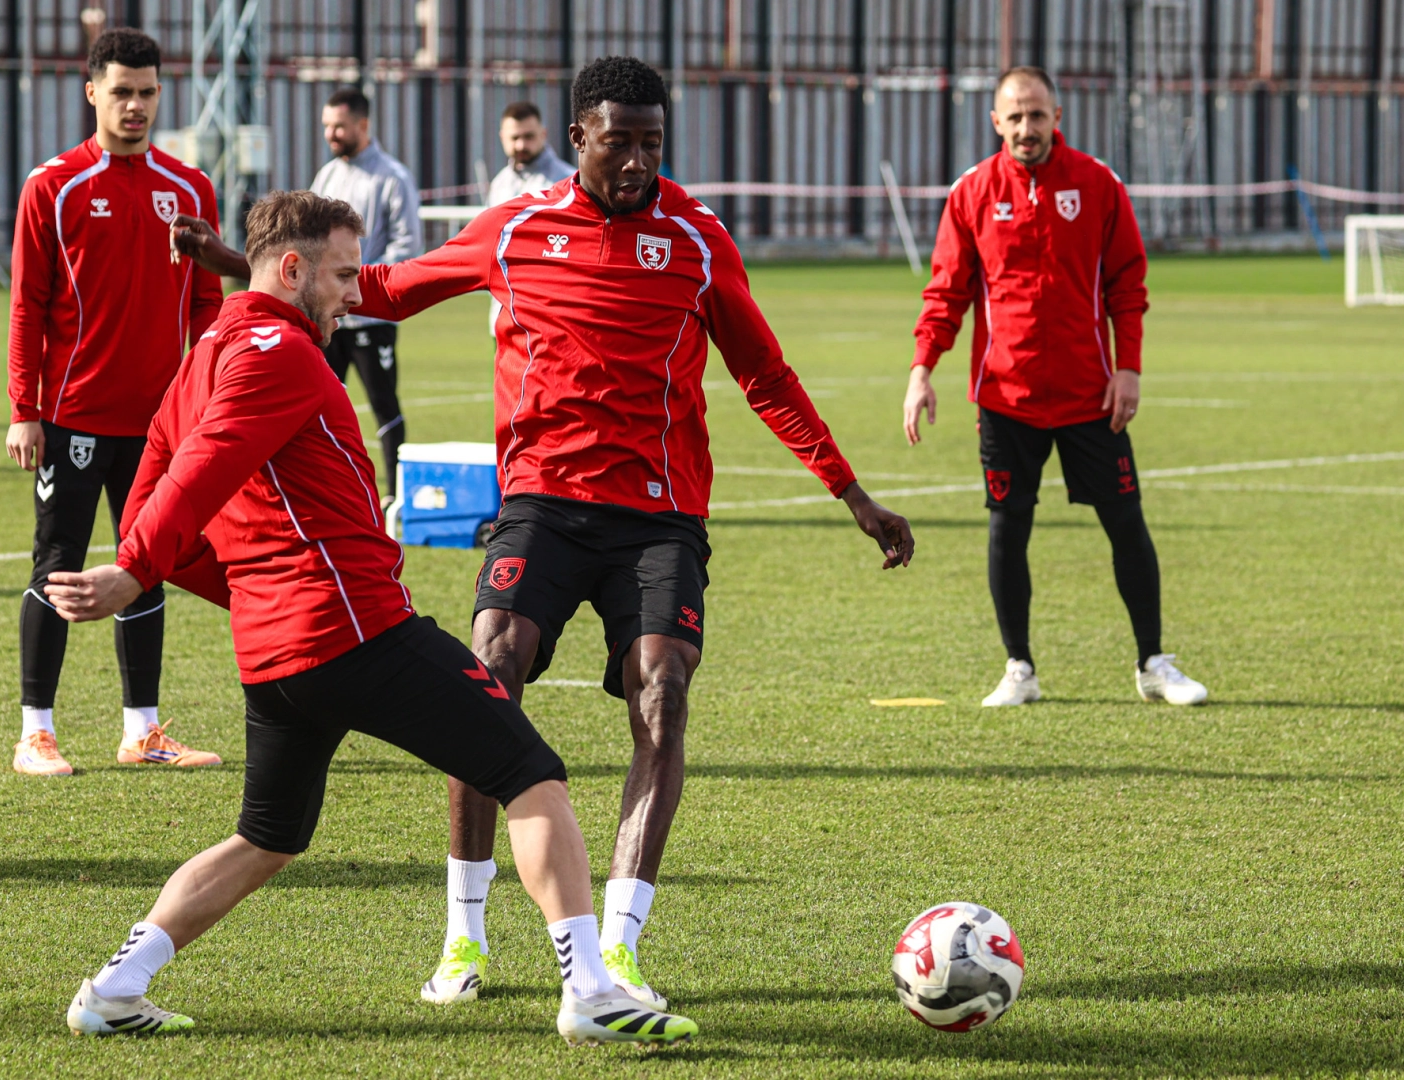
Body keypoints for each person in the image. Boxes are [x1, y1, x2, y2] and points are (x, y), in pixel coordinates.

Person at [171, 55, 916, 1010]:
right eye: (620, 142)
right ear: (577, 139)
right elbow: (382, 288)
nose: (639, 161)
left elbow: (763, 374)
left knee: (661, 691)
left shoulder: (698, 240)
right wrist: (237, 264)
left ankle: (621, 946)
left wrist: (849, 491)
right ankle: (464, 935)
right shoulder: (515, 229)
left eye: (653, 143)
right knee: (492, 662)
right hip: (542, 504)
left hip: (659, 516)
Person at [44, 190, 696, 1047]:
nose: (358, 293)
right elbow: (205, 465)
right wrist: (134, 573)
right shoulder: (279, 351)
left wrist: (238, 589)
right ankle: (589, 989)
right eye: (346, 274)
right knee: (532, 772)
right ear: (292, 269)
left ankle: (113, 988)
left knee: (266, 836)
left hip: (276, 652)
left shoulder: (204, 353)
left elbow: (153, 494)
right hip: (354, 631)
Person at [902, 65, 1208, 709]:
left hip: (1090, 395)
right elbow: (946, 292)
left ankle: (1153, 663)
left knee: (1126, 523)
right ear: (996, 121)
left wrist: (1129, 367)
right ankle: (1019, 668)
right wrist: (922, 369)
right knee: (1008, 528)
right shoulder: (972, 192)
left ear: (1057, 117)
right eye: (1014, 116)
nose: (1026, 127)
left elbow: (1127, 284)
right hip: (1005, 397)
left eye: (1037, 114)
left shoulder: (1097, 185)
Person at [5, 27, 225, 777]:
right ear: (92, 92)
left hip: (161, 427)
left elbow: (206, 304)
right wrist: (24, 407)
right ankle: (36, 733)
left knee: (146, 565)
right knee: (57, 565)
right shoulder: (53, 186)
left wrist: (202, 395)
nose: (136, 105)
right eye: (122, 92)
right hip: (72, 417)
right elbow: (28, 304)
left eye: (148, 92)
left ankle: (143, 730)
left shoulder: (191, 189)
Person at [308, 86, 422, 506]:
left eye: (339, 126)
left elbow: (408, 247)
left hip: (371, 320)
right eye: (327, 126)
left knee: (383, 405)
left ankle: (394, 498)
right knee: (317, 406)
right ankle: (322, 491)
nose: (331, 134)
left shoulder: (393, 177)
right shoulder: (326, 176)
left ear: (363, 125)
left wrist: (353, 281)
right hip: (329, 320)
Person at [485, 100, 573, 333]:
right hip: (504, 317)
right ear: (502, 137)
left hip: (553, 319)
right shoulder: (499, 184)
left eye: (529, 136)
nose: (521, 144)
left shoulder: (569, 183)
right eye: (514, 137)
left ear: (543, 134)